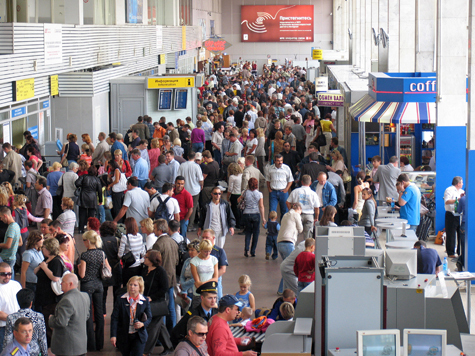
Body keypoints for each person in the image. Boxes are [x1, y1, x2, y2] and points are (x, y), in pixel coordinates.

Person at [77, 231, 108, 351]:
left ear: (88, 241)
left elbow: (82, 275)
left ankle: (90, 343)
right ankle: (100, 343)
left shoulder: (84, 256)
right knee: (99, 313)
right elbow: (108, 268)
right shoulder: (102, 253)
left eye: (84, 240)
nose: (83, 242)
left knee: (88, 314)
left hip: (87, 286)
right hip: (99, 284)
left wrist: (79, 267)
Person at [48, 273, 89, 356]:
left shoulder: (66, 300)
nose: (60, 283)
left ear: (70, 284)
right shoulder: (85, 296)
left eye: (63, 282)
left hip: (67, 347)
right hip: (81, 345)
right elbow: (86, 316)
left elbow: (61, 322)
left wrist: (51, 319)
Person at [141, 250, 173, 356]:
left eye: (146, 257)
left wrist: (152, 297)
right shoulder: (145, 270)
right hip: (147, 302)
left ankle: (147, 351)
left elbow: (164, 288)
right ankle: (169, 346)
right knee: (160, 326)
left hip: (157, 302)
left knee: (153, 326)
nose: (144, 258)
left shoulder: (160, 271)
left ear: (152, 260)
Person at [110, 276, 152, 356]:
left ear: (140, 287)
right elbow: (114, 318)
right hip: (124, 335)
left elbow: (149, 317)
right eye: (130, 284)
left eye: (135, 285)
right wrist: (113, 335)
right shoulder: (120, 299)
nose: (132, 287)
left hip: (139, 335)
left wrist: (143, 324)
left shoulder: (145, 301)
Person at [33, 238, 63, 345]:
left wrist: (45, 268)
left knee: (49, 322)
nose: (42, 249)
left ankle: (51, 345)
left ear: (49, 248)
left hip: (51, 298)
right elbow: (36, 271)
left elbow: (55, 278)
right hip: (42, 296)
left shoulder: (56, 261)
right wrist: (42, 266)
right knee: (44, 322)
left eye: (43, 247)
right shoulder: (47, 260)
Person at [151, 219, 179, 331]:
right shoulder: (173, 242)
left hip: (161, 280)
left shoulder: (158, 244)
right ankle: (171, 331)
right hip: (172, 279)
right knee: (171, 307)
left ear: (159, 230)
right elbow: (176, 261)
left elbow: (154, 263)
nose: (153, 230)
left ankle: (160, 333)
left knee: (160, 307)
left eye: (154, 228)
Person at [3, 289, 47, 356]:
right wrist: (45, 354)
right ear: (31, 303)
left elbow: (7, 340)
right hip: (35, 352)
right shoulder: (39, 317)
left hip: (17, 352)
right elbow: (42, 339)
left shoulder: (11, 318)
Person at [276, 203, 303, 295]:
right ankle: (283, 290)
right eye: (301, 211)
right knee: (289, 267)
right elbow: (301, 229)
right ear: (298, 209)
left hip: (280, 243)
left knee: (286, 266)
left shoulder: (285, 215)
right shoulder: (296, 214)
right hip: (288, 243)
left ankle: (283, 290)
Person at [286, 175, 320, 240]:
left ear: (301, 182)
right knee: (308, 237)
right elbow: (317, 208)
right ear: (310, 183)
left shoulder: (295, 191)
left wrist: (291, 210)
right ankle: (306, 249)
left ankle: (295, 248)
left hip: (297, 215)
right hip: (309, 216)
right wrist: (316, 218)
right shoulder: (313, 194)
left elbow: (287, 202)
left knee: (295, 234)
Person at [238, 178, 266, 257]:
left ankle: (246, 249)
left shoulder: (245, 192)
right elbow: (261, 206)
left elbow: (238, 200)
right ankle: (253, 251)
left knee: (248, 232)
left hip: (246, 214)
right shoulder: (259, 194)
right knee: (256, 233)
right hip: (256, 214)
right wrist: (263, 217)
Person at [178, 152, 204, 232]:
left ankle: (182, 222)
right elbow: (200, 179)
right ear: (195, 157)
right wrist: (201, 186)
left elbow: (178, 176)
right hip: (195, 190)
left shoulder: (182, 165)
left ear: (187, 156)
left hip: (184, 190)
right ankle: (190, 225)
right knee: (193, 207)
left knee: (183, 206)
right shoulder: (196, 166)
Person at [0, 262, 21, 352]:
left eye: (9, 273)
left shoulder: (16, 284)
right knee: (5, 352)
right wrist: (13, 319)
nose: (7, 276)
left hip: (18, 326)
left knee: (16, 351)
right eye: (3, 274)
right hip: (3, 328)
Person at [118, 217, 146, 285]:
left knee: (127, 287)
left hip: (128, 267)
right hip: (138, 266)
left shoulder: (125, 237)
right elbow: (143, 252)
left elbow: (120, 254)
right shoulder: (140, 236)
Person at [75, 165, 102, 234]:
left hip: (83, 196)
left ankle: (81, 229)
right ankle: (91, 228)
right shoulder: (97, 179)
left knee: (82, 214)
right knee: (92, 214)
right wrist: (100, 200)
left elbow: (77, 183)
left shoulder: (84, 177)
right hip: (93, 197)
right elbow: (99, 191)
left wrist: (82, 186)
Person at [201, 229, 228, 300]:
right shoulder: (199, 251)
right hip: (201, 279)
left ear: (213, 238)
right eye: (203, 237)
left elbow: (223, 269)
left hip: (216, 279)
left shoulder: (219, 251)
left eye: (207, 237)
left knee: (218, 299)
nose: (204, 239)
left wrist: (211, 278)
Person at [266, 154, 293, 220]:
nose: (280, 162)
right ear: (274, 161)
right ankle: (271, 228)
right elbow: (268, 180)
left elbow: (290, 180)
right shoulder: (270, 168)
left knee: (285, 211)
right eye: (278, 161)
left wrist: (286, 189)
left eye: (281, 160)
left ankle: (283, 227)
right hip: (273, 192)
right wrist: (269, 189)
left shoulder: (286, 168)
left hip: (283, 192)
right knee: (272, 211)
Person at [444, 176, 464, 258]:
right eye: (462, 182)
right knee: (451, 234)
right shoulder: (449, 190)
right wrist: (458, 200)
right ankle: (451, 252)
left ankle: (460, 252)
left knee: (461, 233)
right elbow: (447, 201)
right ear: (458, 183)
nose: (462, 184)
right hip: (451, 214)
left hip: (460, 215)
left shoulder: (462, 191)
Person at [0, 207, 21, 275]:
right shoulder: (16, 225)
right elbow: (20, 242)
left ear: (5, 216)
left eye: (1, 217)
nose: (1, 219)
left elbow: (8, 245)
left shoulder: (11, 228)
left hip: (6, 257)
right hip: (12, 257)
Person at [227, 163, 243, 230]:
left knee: (234, 210)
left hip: (234, 195)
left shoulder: (232, 177)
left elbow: (230, 188)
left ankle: (237, 224)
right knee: (240, 209)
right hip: (240, 194)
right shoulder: (241, 175)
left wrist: (227, 196)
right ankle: (241, 223)